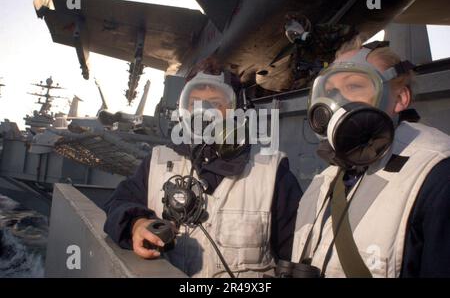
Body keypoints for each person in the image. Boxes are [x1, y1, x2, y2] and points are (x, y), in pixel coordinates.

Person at [104, 59, 303, 277]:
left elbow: (296, 256)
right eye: (195, 102)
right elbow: (118, 203)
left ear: (237, 112)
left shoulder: (272, 173)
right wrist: (137, 223)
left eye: (216, 104)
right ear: (184, 109)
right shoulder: (158, 161)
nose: (203, 112)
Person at [290, 37, 450, 278]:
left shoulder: (436, 175)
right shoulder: (326, 178)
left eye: (354, 86)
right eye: (331, 90)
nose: (337, 101)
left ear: (400, 98)